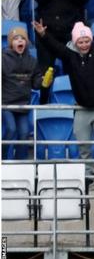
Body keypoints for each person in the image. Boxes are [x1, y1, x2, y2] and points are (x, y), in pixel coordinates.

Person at [33, 20, 94, 175]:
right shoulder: (69, 55)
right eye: (80, 41)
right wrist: (43, 34)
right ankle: (86, 171)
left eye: (87, 41)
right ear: (75, 42)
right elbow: (54, 46)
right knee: (82, 142)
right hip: (81, 107)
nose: (84, 44)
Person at [2, 27, 42, 160]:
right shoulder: (3, 58)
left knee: (24, 133)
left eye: (23, 38)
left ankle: (20, 164)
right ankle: (2, 158)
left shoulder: (32, 60)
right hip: (6, 104)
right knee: (11, 129)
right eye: (16, 38)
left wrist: (44, 82)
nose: (20, 41)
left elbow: (36, 84)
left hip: (23, 105)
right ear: (10, 43)